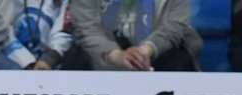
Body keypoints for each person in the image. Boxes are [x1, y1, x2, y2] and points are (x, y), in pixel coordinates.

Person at [67, 0, 201, 71]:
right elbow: (86, 28)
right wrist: (117, 56)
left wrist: (145, 52)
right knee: (76, 56)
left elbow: (173, 26)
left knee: (177, 57)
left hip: (157, 54)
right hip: (104, 55)